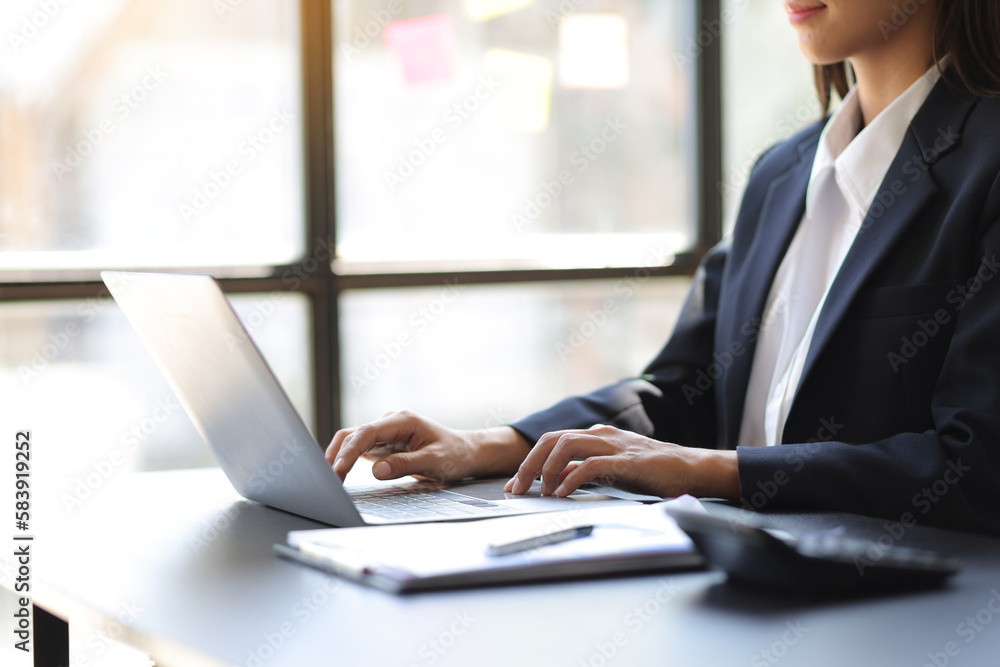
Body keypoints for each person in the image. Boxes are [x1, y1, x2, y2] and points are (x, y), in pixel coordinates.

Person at [328, 0, 1000, 534]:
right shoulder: (781, 174)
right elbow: (680, 389)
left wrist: (709, 470)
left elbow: (977, 467)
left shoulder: (988, 167)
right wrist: (489, 443)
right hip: (737, 587)